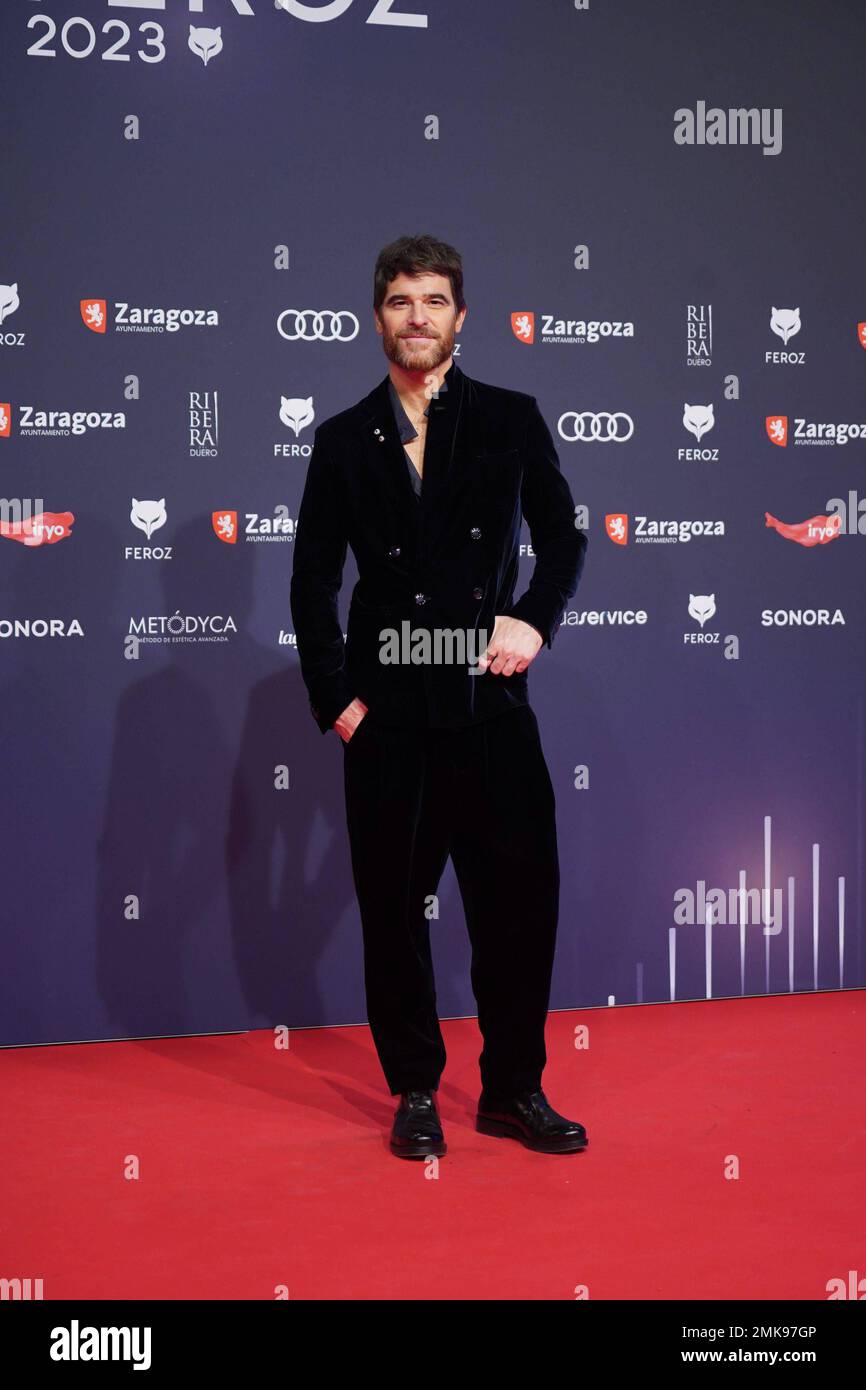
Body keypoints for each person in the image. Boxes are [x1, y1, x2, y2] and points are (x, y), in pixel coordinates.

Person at [290, 234, 589, 1158]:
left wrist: (534, 619)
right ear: (375, 317)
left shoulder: (509, 416)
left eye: (433, 301)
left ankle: (513, 1090)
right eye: (399, 302)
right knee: (393, 912)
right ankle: (416, 1089)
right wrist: (337, 702)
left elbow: (563, 537)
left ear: (461, 316)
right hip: (390, 720)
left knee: (518, 906)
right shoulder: (343, 438)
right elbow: (312, 583)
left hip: (490, 708)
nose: (416, 317)